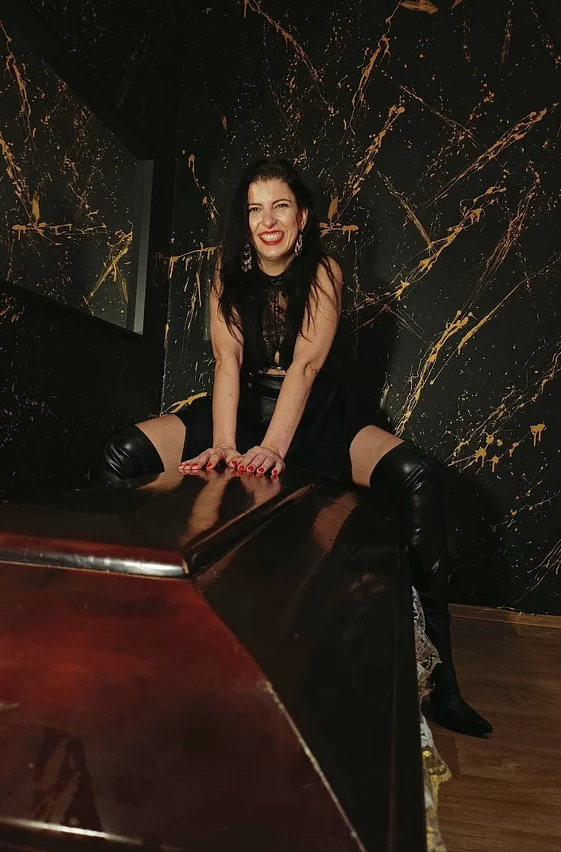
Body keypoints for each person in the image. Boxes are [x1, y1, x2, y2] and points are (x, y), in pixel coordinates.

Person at [101, 157, 492, 738]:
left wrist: (273, 447)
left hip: (312, 415)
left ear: (302, 216)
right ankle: (122, 638)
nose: (267, 221)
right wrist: (227, 442)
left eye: (280, 206)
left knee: (415, 475)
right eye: (255, 209)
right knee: (123, 453)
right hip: (237, 407)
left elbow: (306, 366)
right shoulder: (226, 274)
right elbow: (227, 359)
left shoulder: (324, 270)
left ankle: (442, 684)